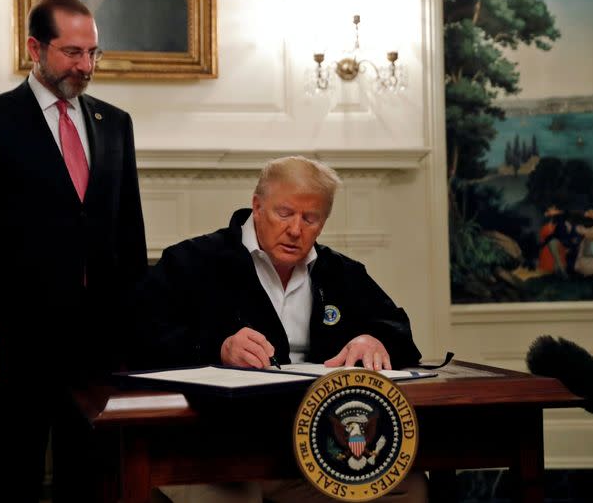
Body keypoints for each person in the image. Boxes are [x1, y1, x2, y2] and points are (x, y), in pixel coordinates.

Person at [131, 156, 425, 502]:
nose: (296, 229)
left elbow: (399, 332)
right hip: (211, 450)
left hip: (313, 450)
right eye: (284, 213)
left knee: (409, 486)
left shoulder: (340, 272)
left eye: (310, 218)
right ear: (257, 206)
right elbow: (141, 336)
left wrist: (374, 339)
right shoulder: (191, 261)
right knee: (235, 495)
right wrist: (218, 348)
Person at [0, 0, 147, 502]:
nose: (85, 66)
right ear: (35, 47)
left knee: (93, 477)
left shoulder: (115, 123)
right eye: (72, 52)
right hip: (18, 340)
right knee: (11, 474)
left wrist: (136, 329)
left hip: (96, 340)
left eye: (93, 53)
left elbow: (129, 231)